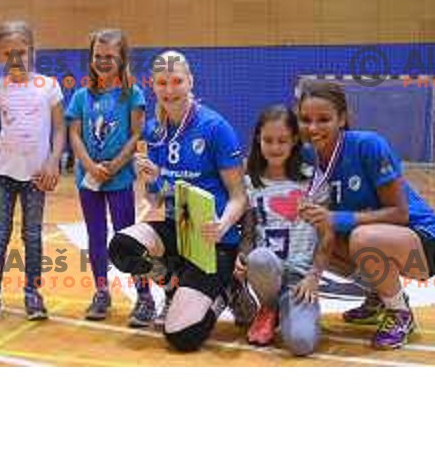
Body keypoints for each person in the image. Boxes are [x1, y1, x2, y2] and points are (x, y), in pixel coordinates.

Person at [108, 51, 249, 351]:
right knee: (122, 247)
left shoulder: (215, 128)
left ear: (190, 82)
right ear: (153, 85)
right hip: (177, 227)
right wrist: (148, 180)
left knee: (182, 337)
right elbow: (155, 199)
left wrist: (222, 226)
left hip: (212, 239)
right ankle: (172, 284)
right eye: (162, 82)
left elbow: (239, 196)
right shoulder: (153, 131)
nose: (169, 90)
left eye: (176, 81)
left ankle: (227, 291)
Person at [297, 79, 435, 349]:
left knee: (361, 237)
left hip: (427, 244)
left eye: (323, 119)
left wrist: (337, 219)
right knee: (310, 235)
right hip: (381, 238)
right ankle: (379, 294)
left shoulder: (368, 145)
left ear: (342, 118)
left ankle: (399, 312)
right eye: (306, 120)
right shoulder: (308, 158)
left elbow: (400, 213)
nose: (313, 128)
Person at [0, 21, 65, 324]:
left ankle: (32, 293)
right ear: (0, 55)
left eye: (21, 52)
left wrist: (53, 160)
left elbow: (60, 128)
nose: (15, 59)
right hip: (2, 174)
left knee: (32, 235)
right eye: (8, 53)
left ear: (32, 51)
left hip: (36, 176)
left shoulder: (48, 86)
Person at [66, 29, 150, 326]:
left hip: (119, 178)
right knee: (96, 236)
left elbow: (136, 134)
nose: (102, 62)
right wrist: (89, 165)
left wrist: (115, 165)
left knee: (128, 236)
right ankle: (102, 291)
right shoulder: (80, 96)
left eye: (109, 57)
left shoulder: (133, 95)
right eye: (97, 57)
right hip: (88, 179)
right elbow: (74, 133)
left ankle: (144, 295)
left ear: (122, 59)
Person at [233, 106, 332, 356]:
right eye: (268, 140)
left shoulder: (312, 180)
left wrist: (314, 276)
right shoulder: (249, 183)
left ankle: (291, 309)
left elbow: (327, 234)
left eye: (282, 141)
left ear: (295, 140)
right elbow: (247, 232)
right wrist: (241, 256)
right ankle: (268, 308)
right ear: (258, 139)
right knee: (260, 257)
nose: (275, 147)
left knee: (301, 343)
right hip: (267, 271)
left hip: (300, 278)